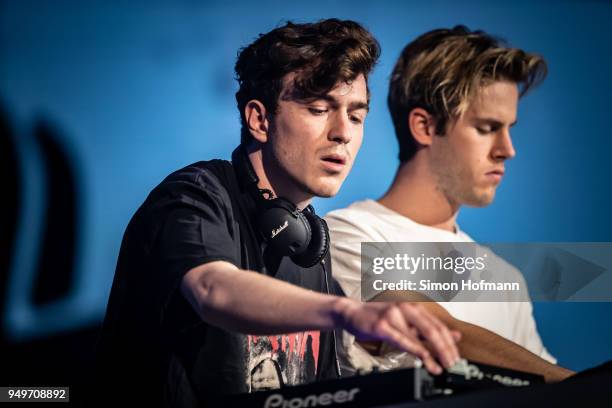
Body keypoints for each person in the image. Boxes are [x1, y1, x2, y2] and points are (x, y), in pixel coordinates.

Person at [92, 19, 461, 407]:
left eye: (356, 115)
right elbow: (213, 289)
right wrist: (347, 312)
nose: (344, 133)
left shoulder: (310, 245)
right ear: (260, 120)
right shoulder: (195, 195)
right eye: (320, 108)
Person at [325, 25, 575, 383]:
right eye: (487, 128)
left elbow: (543, 384)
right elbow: (432, 327)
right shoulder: (348, 233)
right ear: (424, 127)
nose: (508, 149)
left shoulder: (505, 278)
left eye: (509, 128)